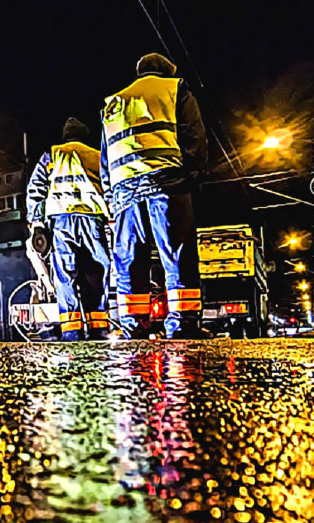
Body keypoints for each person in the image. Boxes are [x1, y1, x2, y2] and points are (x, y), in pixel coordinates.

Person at [100, 53, 208, 339]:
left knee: (130, 260)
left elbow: (105, 160)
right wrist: (190, 178)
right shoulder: (175, 89)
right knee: (176, 254)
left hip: (125, 194)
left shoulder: (113, 103)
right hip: (167, 184)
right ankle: (182, 324)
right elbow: (194, 139)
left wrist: (112, 198)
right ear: (167, 71)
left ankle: (134, 325)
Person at [26, 117, 111, 340]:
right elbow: (110, 187)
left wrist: (37, 223)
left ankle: (72, 332)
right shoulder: (97, 156)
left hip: (61, 223)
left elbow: (35, 189)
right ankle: (98, 329)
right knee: (96, 275)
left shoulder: (52, 155)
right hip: (92, 220)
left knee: (65, 277)